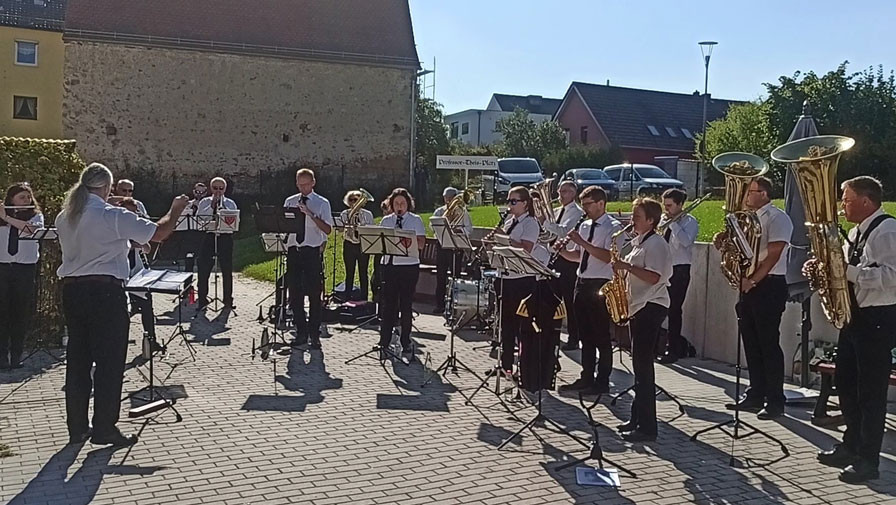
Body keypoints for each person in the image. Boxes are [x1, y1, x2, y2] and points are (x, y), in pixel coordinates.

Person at [56, 163, 187, 447]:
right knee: (109, 362)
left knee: (78, 361)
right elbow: (160, 232)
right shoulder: (110, 215)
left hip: (73, 291)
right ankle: (104, 427)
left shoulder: (65, 215)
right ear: (106, 187)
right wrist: (176, 208)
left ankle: (77, 428)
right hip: (104, 292)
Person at [814, 176, 896, 483]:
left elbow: (891, 276)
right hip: (855, 318)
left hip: (877, 319)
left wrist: (842, 269)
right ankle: (851, 445)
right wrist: (822, 270)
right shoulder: (856, 232)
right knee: (847, 384)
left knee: (870, 392)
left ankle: (868, 461)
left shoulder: (887, 229)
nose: (842, 205)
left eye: (846, 200)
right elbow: (849, 274)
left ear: (866, 201)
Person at [717, 176, 793, 420]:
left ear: (764, 194)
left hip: (769, 284)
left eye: (750, 192)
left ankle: (775, 400)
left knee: (768, 343)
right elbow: (737, 250)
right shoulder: (744, 219)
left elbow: (773, 255)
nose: (746, 196)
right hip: (749, 285)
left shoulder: (778, 218)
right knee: (751, 342)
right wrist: (724, 242)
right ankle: (755, 393)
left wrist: (753, 280)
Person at [611, 198, 672, 442]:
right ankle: (636, 418)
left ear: (651, 220)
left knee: (643, 368)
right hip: (640, 306)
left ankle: (648, 428)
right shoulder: (640, 242)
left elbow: (654, 277)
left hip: (651, 305)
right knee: (638, 368)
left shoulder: (656, 244)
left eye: (637, 216)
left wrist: (625, 266)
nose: (631, 220)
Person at [557, 186, 620, 395]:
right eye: (583, 205)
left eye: (588, 205)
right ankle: (586, 376)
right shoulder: (584, 225)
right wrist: (561, 250)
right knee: (585, 335)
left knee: (601, 335)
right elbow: (580, 256)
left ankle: (602, 380)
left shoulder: (613, 226)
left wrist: (582, 242)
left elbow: (608, 257)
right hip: (581, 281)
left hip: (601, 283)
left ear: (601, 203)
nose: (584, 209)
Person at [489, 186, 540, 377]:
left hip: (522, 280)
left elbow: (526, 249)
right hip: (505, 277)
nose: (509, 205)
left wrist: (506, 239)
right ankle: (506, 365)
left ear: (525, 203)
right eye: (508, 201)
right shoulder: (511, 221)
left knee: (522, 327)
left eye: (513, 201)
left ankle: (524, 369)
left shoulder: (530, 224)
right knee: (506, 326)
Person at [284, 169, 333, 349]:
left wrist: (310, 214)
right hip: (294, 250)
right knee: (295, 293)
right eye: (299, 184)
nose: (303, 188)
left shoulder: (322, 203)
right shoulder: (290, 201)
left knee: (314, 293)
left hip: (311, 250)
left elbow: (328, 229)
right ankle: (301, 331)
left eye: (306, 184)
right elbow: (285, 224)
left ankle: (315, 332)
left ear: (313, 183)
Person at [377, 188, 425, 360]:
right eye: (396, 203)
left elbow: (420, 244)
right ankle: (384, 340)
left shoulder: (415, 220)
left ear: (407, 205)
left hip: (408, 266)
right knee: (388, 305)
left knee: (405, 304)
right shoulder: (386, 220)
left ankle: (406, 340)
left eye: (402, 203)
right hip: (390, 266)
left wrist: (408, 238)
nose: (399, 206)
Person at [0, 183, 43, 369]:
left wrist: (6, 217)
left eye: (28, 197)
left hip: (24, 269)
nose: (26, 201)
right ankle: (2, 357)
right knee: (2, 314)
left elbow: (30, 230)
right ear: (11, 200)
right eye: (22, 197)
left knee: (20, 313)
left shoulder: (35, 216)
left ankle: (16, 356)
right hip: (3, 268)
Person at [656, 188, 699, 364]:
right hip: (662, 267)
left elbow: (686, 242)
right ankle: (655, 345)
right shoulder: (663, 220)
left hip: (680, 269)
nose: (666, 209)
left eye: (670, 206)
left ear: (680, 205)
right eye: (664, 205)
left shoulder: (689, 221)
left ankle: (673, 349)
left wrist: (673, 224)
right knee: (658, 308)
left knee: (674, 310)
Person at [549, 181, 585, 351]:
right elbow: (550, 233)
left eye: (565, 191)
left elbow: (565, 231)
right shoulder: (556, 211)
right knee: (554, 299)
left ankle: (574, 337)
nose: (560, 194)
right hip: (554, 257)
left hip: (569, 260)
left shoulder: (577, 212)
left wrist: (546, 223)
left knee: (569, 301)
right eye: (559, 190)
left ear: (573, 193)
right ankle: (553, 334)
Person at [195, 177, 239, 311]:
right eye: (215, 188)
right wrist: (211, 207)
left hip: (225, 237)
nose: (218, 191)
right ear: (211, 188)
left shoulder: (230, 203)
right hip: (209, 236)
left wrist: (222, 207)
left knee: (226, 269)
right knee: (203, 268)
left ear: (225, 189)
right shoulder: (204, 202)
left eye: (221, 188)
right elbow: (199, 219)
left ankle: (228, 300)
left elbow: (235, 221)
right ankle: (202, 299)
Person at [432, 187, 473, 314]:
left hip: (456, 247)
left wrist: (459, 231)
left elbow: (469, 229)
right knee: (441, 276)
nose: (448, 200)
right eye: (446, 198)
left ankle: (455, 304)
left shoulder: (462, 211)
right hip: (442, 245)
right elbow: (433, 226)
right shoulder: (439, 211)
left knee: (456, 276)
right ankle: (440, 305)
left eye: (450, 198)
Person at [339, 190, 374, 301]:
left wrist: (361, 226)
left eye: (357, 199)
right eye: (352, 200)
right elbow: (340, 229)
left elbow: (370, 230)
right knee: (349, 272)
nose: (354, 202)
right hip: (349, 244)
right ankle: (347, 297)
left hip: (362, 245)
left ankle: (364, 297)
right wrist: (348, 225)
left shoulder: (367, 214)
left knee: (363, 272)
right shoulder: (345, 214)